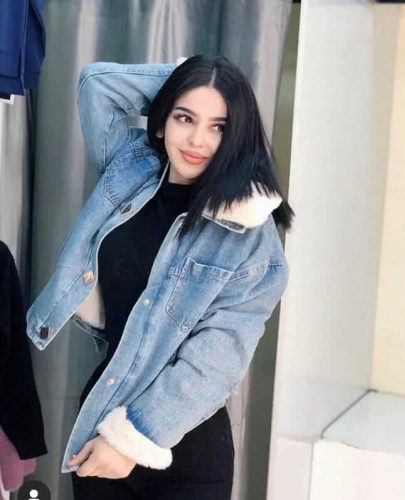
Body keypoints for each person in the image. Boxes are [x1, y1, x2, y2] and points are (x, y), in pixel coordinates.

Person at [26, 54, 294, 499]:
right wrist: (197, 78)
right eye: (184, 118)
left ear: (236, 136)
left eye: (219, 126)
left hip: (180, 448)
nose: (197, 140)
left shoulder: (250, 234)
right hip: (100, 423)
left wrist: (130, 439)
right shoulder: (130, 167)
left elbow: (216, 360)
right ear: (161, 121)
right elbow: (97, 85)